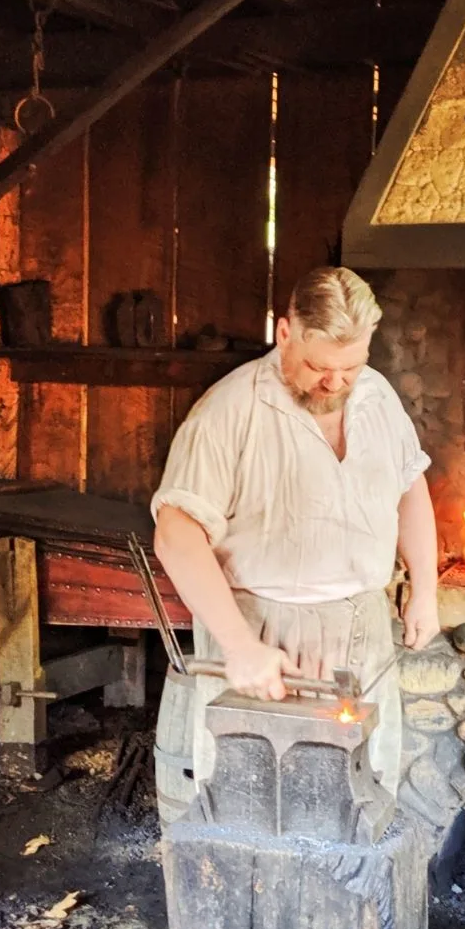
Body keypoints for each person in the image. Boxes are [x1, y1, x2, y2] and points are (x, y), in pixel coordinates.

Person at [151, 266, 440, 799]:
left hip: (365, 633)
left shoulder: (377, 397)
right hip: (264, 637)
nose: (334, 383)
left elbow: (410, 488)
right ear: (285, 333)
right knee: (255, 810)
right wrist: (240, 646)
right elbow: (175, 534)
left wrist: (425, 591)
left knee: (365, 805)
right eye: (317, 366)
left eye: (351, 367)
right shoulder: (228, 412)